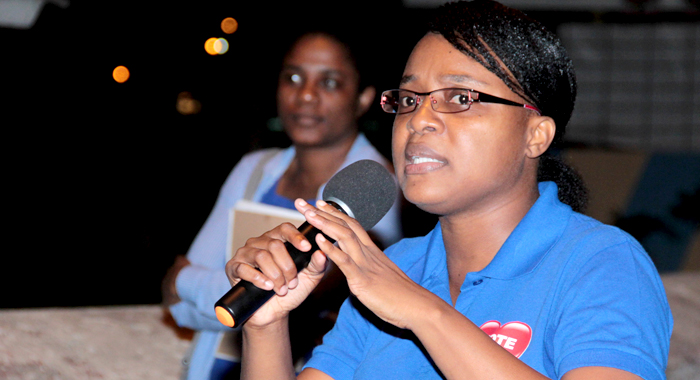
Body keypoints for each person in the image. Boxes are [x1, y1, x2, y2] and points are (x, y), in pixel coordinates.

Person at [223, 1, 673, 379]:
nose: (419, 120)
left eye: (460, 98)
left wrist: (423, 311)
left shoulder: (600, 262)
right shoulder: (396, 267)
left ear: (536, 134)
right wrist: (266, 325)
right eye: (409, 99)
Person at [162, 26, 402, 380]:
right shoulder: (253, 169)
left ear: (364, 98)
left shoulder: (371, 189)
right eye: (293, 77)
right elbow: (177, 303)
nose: (305, 95)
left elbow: (301, 299)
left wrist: (189, 281)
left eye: (330, 82)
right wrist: (214, 292)